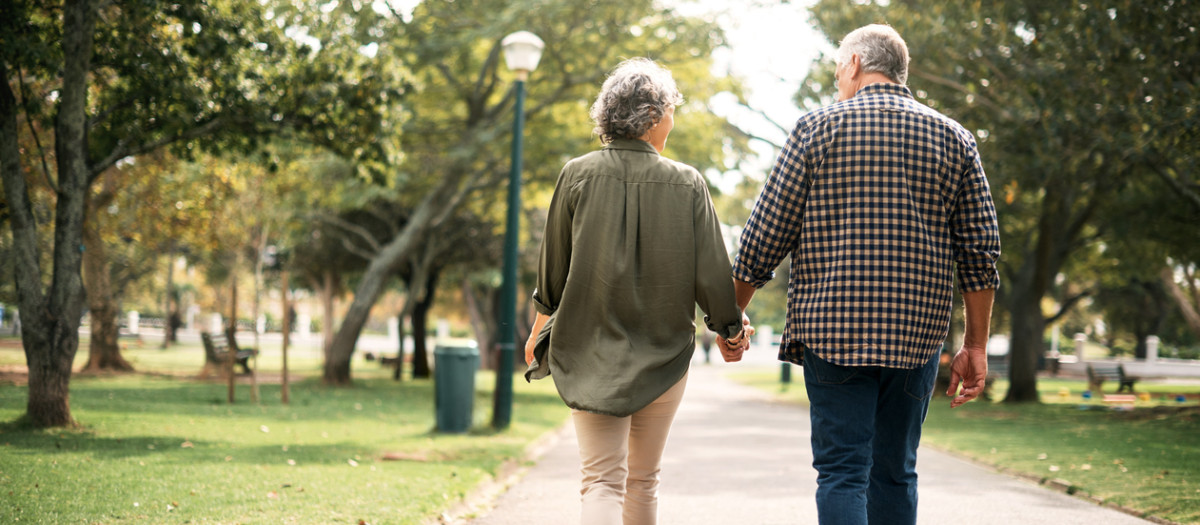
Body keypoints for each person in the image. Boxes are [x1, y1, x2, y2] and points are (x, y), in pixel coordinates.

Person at [725, 25, 1001, 525]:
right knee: (896, 473)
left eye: (837, 72)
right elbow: (980, 255)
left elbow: (764, 238)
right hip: (916, 338)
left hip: (833, 332)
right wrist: (975, 345)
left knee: (842, 473)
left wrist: (731, 316)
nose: (838, 81)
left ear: (853, 64)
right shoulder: (956, 139)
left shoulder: (816, 128)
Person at [523, 57, 751, 525]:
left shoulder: (576, 174)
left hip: (587, 351)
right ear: (652, 117)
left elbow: (553, 271)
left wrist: (539, 329)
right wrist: (731, 331)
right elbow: (712, 276)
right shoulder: (688, 184)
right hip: (663, 354)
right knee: (642, 481)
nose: (673, 120)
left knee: (601, 480)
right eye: (671, 110)